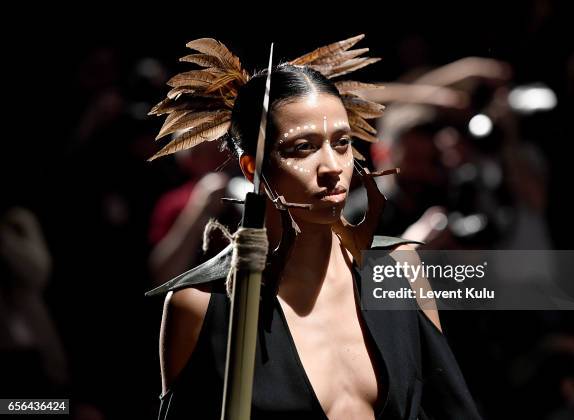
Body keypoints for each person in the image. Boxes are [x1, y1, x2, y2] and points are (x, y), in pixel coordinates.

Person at [146, 35, 481, 419]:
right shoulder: (202, 307)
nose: (331, 168)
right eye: (302, 148)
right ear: (253, 169)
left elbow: (452, 408)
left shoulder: (400, 269)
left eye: (340, 144)